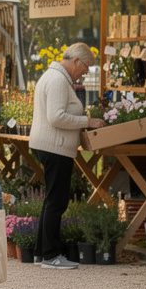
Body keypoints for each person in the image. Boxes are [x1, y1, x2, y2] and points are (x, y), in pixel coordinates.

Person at [30, 43, 104, 269]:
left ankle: (40, 253)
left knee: (51, 200)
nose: (86, 72)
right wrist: (87, 121)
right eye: (86, 67)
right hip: (55, 147)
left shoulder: (54, 77)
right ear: (76, 62)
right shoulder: (58, 81)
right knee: (57, 201)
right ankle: (51, 256)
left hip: (51, 145)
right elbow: (56, 117)